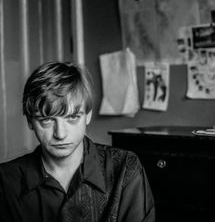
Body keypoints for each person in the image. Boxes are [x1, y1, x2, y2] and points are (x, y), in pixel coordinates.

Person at [0, 61, 155, 222]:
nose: (60, 134)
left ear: (88, 115)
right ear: (30, 122)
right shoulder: (6, 181)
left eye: (72, 117)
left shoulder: (125, 168)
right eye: (46, 120)